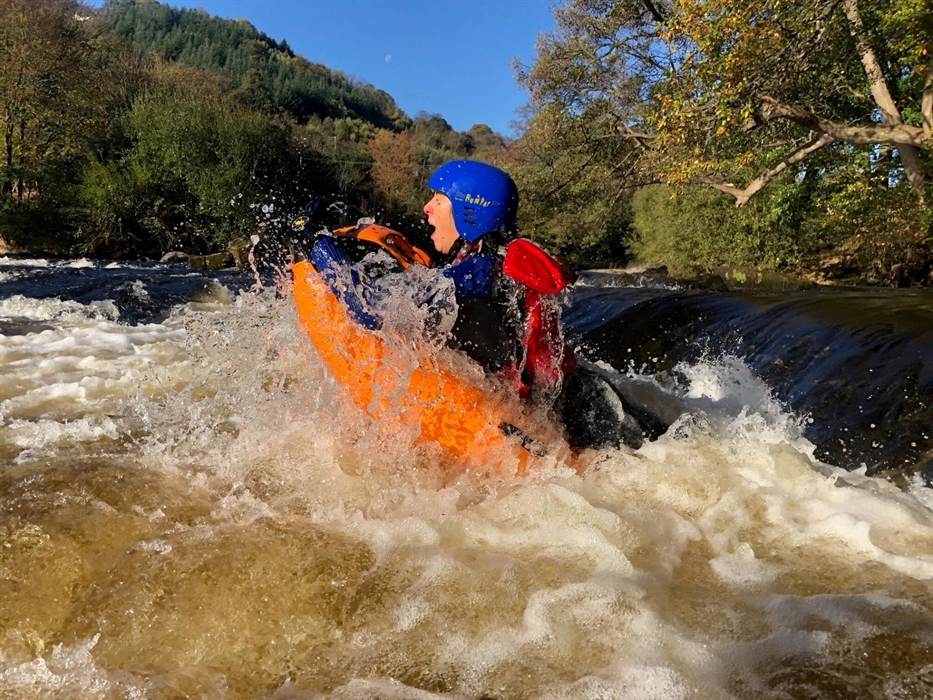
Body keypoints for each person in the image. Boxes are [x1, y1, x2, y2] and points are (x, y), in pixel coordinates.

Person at [310, 159, 646, 451]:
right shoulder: (488, 264)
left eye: (438, 200)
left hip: (583, 416)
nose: (427, 208)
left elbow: (370, 311)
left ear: (469, 210)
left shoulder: (479, 272)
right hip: (587, 399)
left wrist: (318, 246)